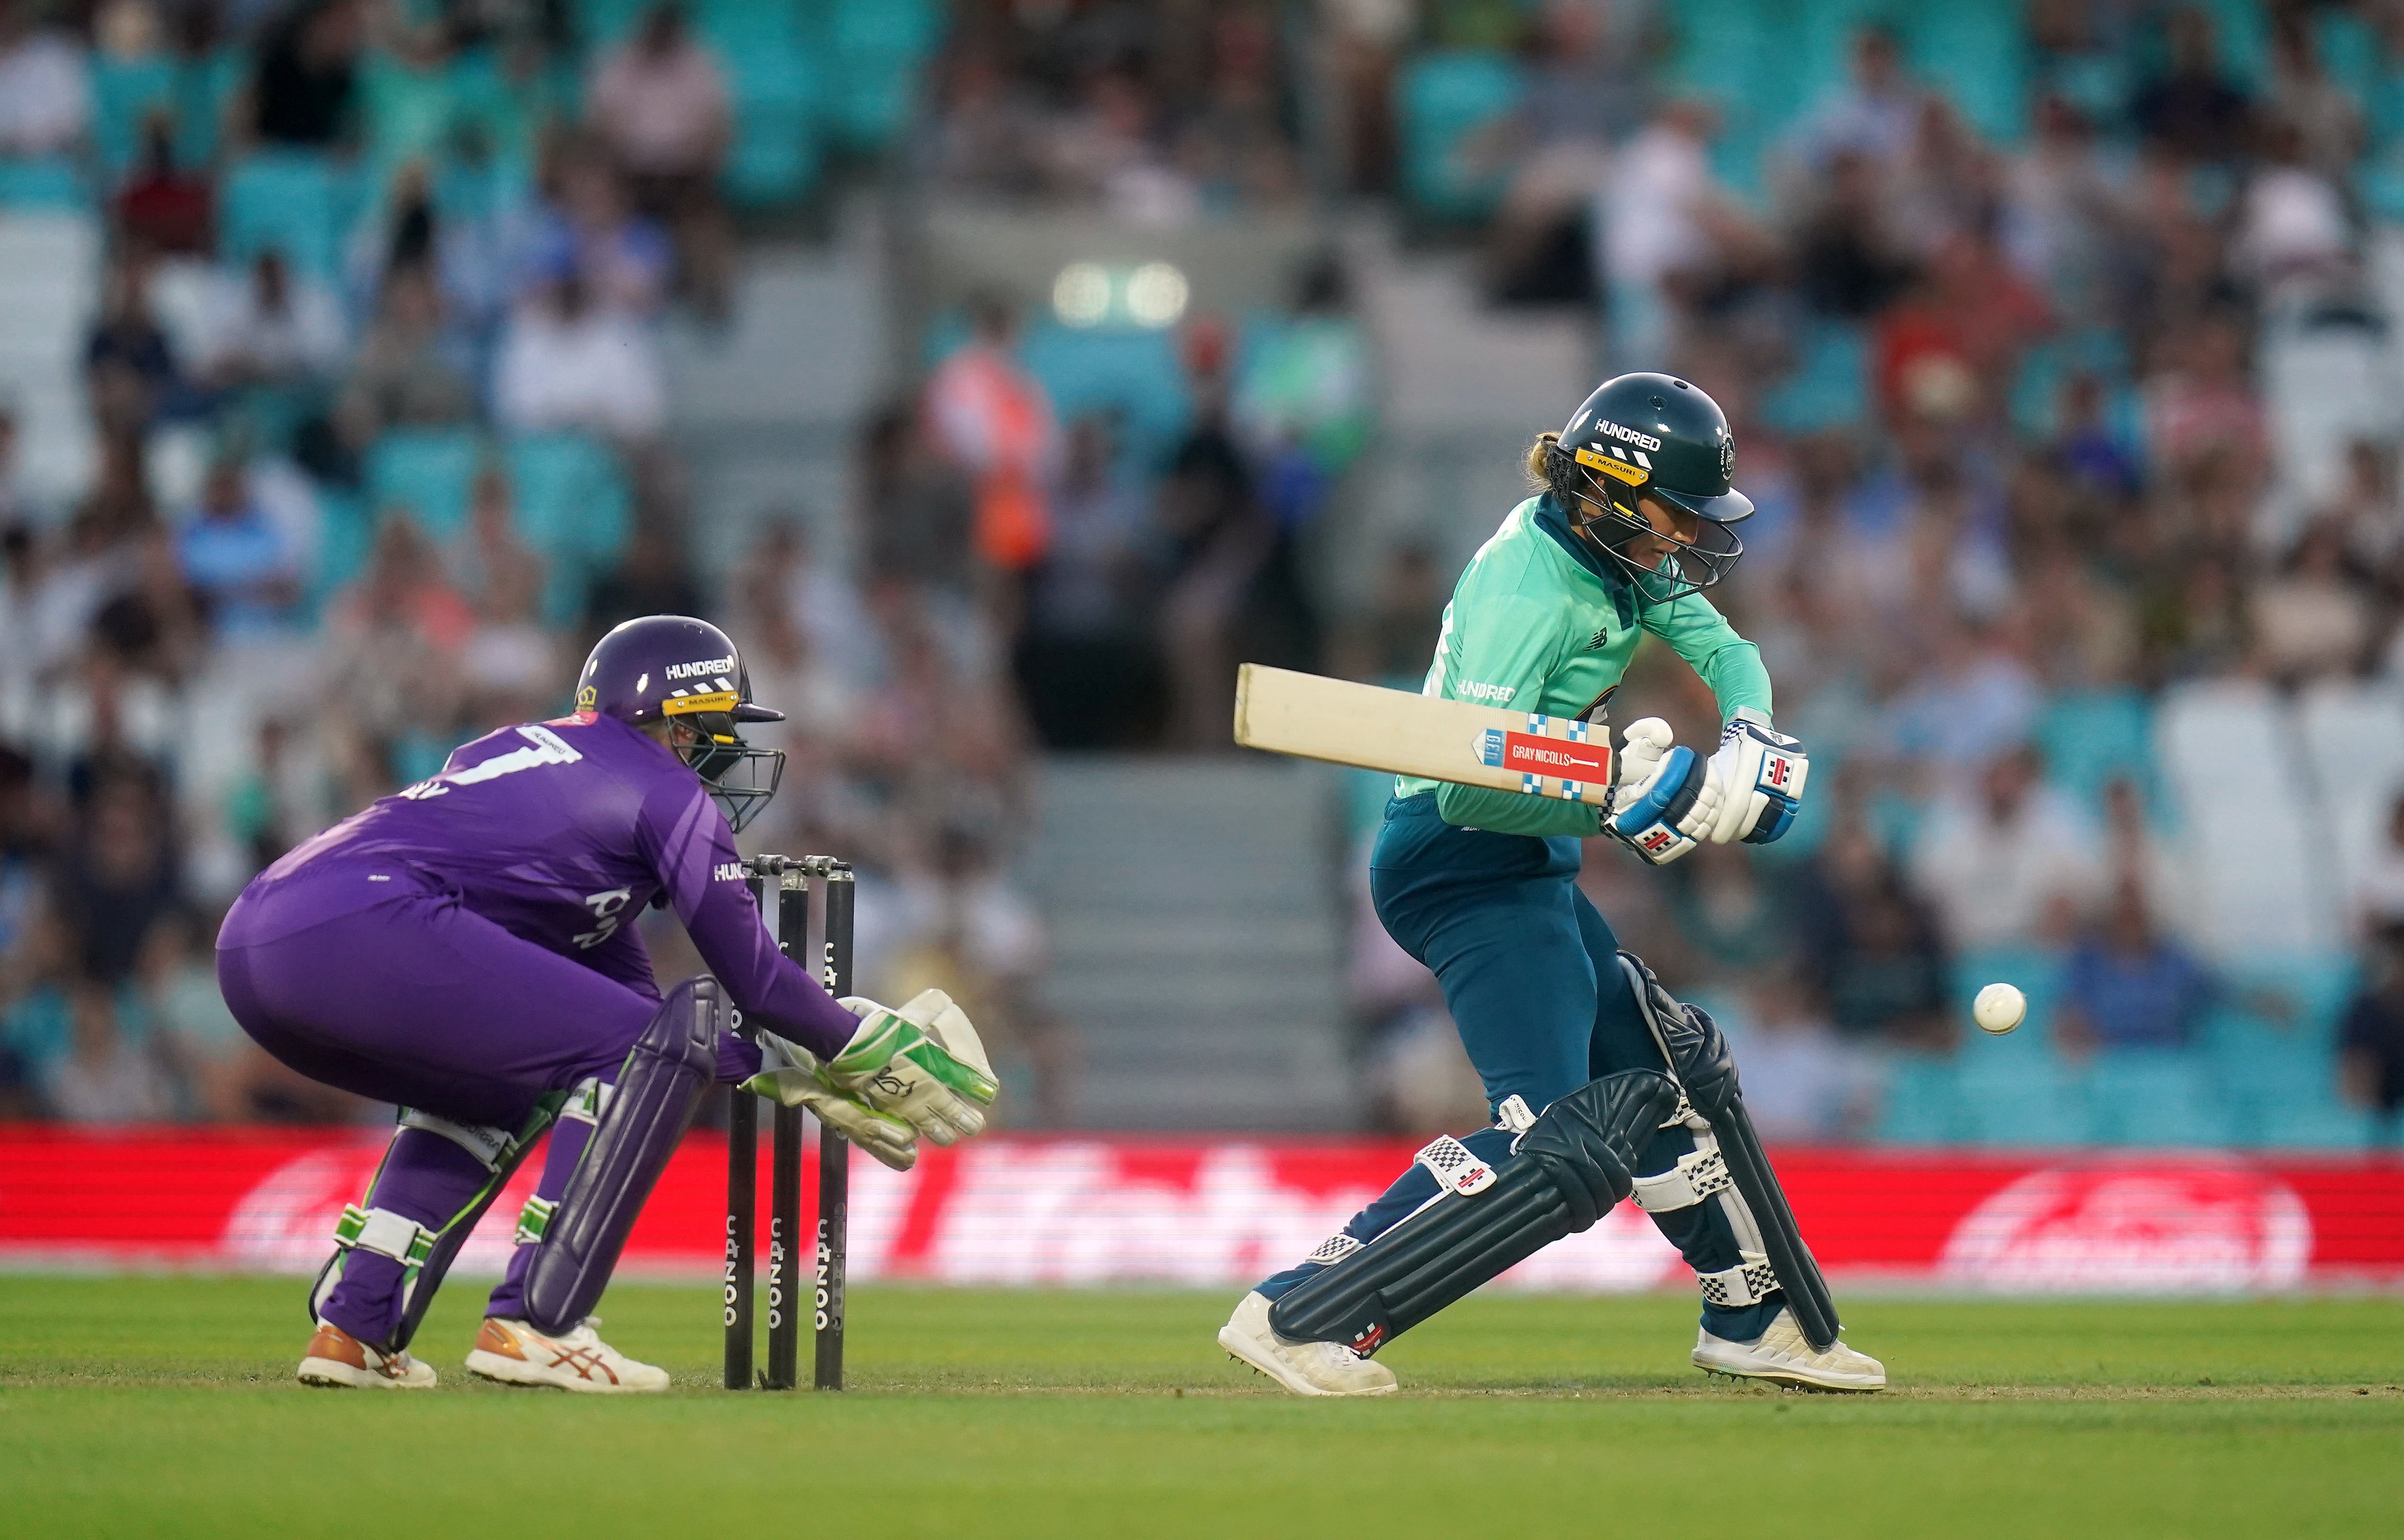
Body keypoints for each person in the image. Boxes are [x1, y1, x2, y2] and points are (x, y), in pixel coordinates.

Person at [1218, 374, 1885, 1395]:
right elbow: (1467, 795)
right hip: (1457, 860)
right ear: (1612, 491)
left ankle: (1758, 1317)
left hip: (1529, 857)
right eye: (1680, 514)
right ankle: (1302, 1311)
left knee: (1676, 1070)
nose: (1689, 538)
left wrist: (1750, 734)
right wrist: (1610, 804)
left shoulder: (1620, 556)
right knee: (1551, 1144)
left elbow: (1728, 649)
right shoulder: (1524, 594)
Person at [215, 615, 998, 1392]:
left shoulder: (540, 767)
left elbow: (636, 1025)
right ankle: (537, 1323)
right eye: (711, 732)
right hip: (368, 922)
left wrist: (772, 1064)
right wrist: (854, 1046)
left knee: (511, 1085)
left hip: (268, 937)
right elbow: (745, 987)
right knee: (633, 1048)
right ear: (671, 722)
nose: (722, 756)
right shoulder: (662, 790)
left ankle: (355, 1324)